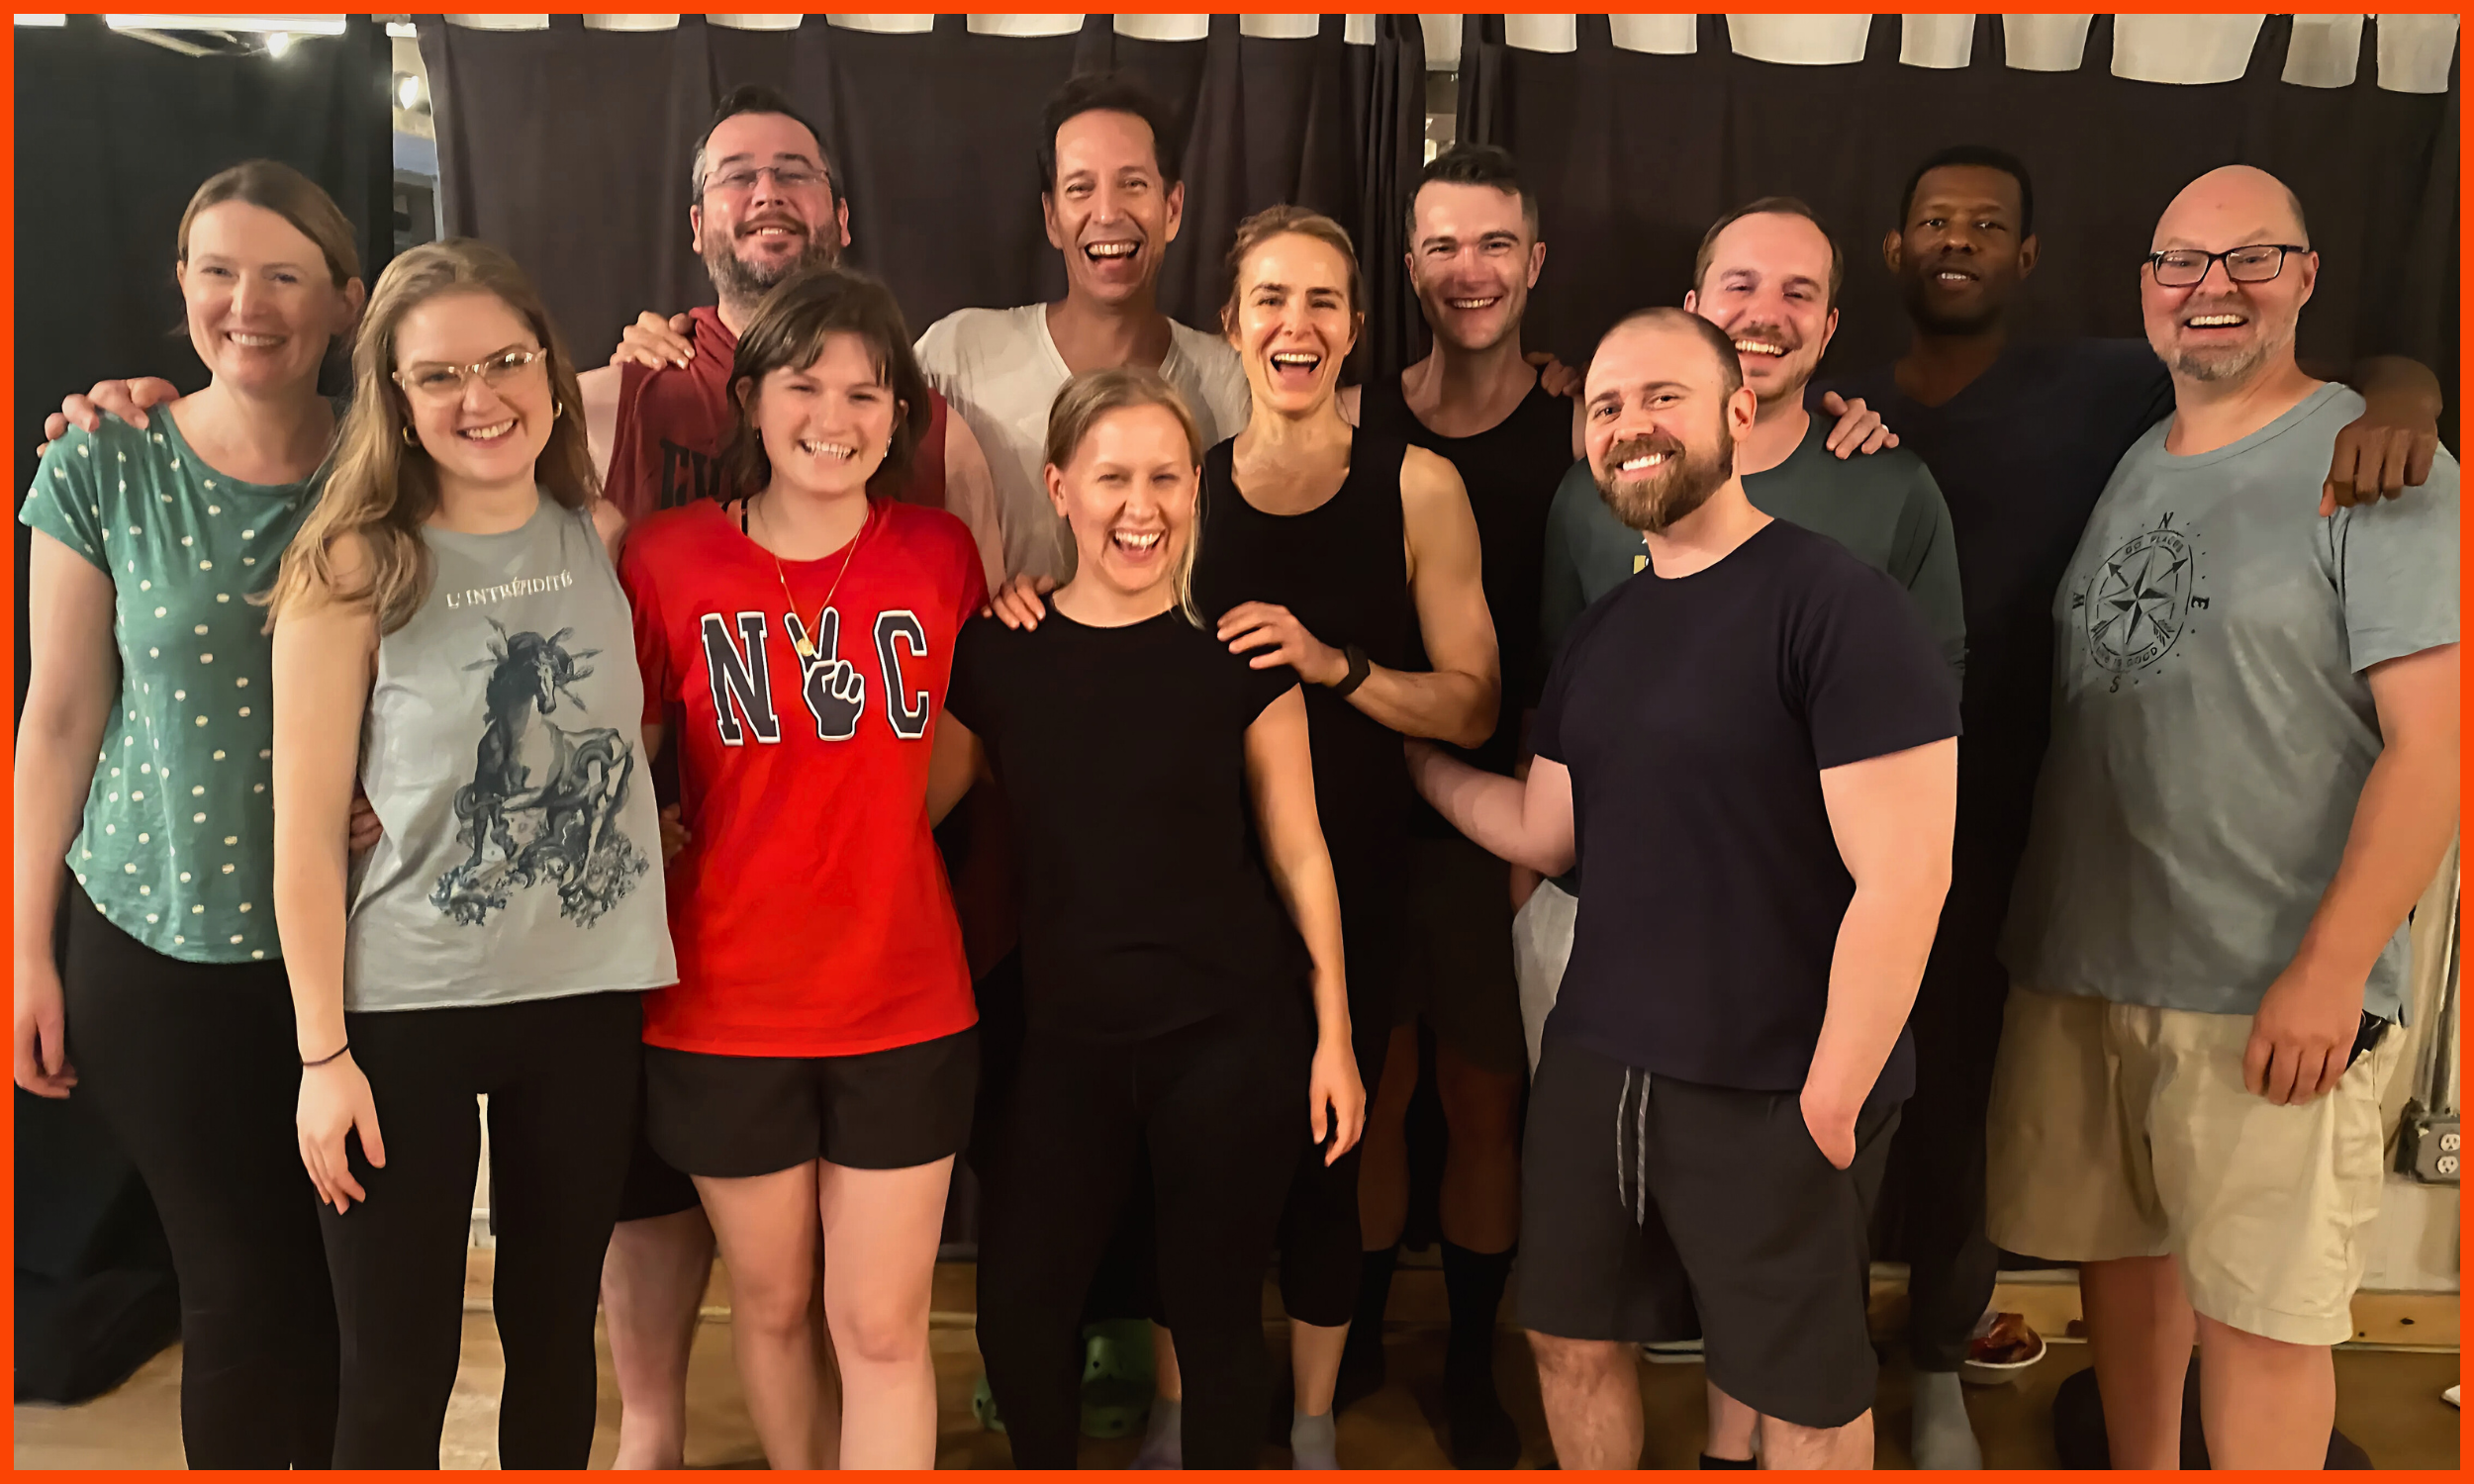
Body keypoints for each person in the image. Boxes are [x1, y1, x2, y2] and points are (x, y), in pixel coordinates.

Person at [1820, 144, 2447, 1471]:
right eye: (2182, 263)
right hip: (2081, 969)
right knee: (2128, 1288)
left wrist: (2333, 971)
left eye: (2251, 259)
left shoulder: (2379, 470)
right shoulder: (2132, 455)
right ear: (2145, 286)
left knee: (2268, 1330)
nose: (2213, 287)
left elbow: (2438, 752)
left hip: (2265, 987)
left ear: (2306, 278)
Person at [992, 205, 1497, 1468]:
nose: (1297, 324)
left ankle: (1309, 1422)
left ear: (1356, 329)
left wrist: (1334, 667)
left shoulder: (1400, 497)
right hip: (1118, 952)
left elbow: (1450, 721)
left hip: (1328, 900)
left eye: (1324, 301)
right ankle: (1169, 1417)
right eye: (1273, 299)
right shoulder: (1165, 501)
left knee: (1302, 1202)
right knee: (1111, 1258)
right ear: (1234, 323)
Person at [1414, 306, 1957, 1471]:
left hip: (1777, 1077)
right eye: (1605, 407)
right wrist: (1417, 761)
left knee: (1801, 1395)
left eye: (1661, 396)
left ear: (1738, 412)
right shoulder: (1603, 633)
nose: (1630, 426)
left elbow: (1908, 873)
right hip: (1600, 1060)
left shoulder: (1837, 604)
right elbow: (1543, 831)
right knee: (1565, 1337)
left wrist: (1832, 1099)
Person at [267, 237, 674, 1468]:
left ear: (552, 374)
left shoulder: (602, 533)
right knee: (396, 1373)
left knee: (554, 1348)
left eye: (505, 361)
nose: (479, 396)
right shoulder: (351, 564)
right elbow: (299, 835)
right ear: (394, 396)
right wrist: (321, 1053)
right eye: (437, 374)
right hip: (405, 1013)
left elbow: (635, 728)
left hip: (587, 1004)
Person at [944, 366, 1365, 1468]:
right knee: (1020, 1316)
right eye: (1113, 476)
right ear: (1060, 488)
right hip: (1061, 1041)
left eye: (1167, 478)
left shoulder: (1241, 657)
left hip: (1228, 1039)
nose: (1142, 505)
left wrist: (1336, 1036)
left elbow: (1299, 853)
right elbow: (900, 818)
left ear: (1197, 492)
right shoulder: (995, 653)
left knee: (1217, 1316)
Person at [13, 160, 363, 1470]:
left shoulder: (395, 466)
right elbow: (54, 720)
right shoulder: (103, 461)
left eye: (281, 274)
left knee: (347, 1289)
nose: (246, 302)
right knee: (235, 1293)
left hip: (356, 951)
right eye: (217, 269)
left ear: (344, 299)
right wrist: (26, 953)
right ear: (181, 288)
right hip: (157, 947)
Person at [618, 266, 987, 1469]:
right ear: (754, 402)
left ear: (900, 418)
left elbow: (961, 751)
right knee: (772, 1310)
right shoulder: (667, 560)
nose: (836, 416)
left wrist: (867, 835)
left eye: (867, 393)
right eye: (806, 385)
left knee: (878, 1324)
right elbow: (628, 770)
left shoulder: (941, 555)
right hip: (721, 1006)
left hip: (903, 999)